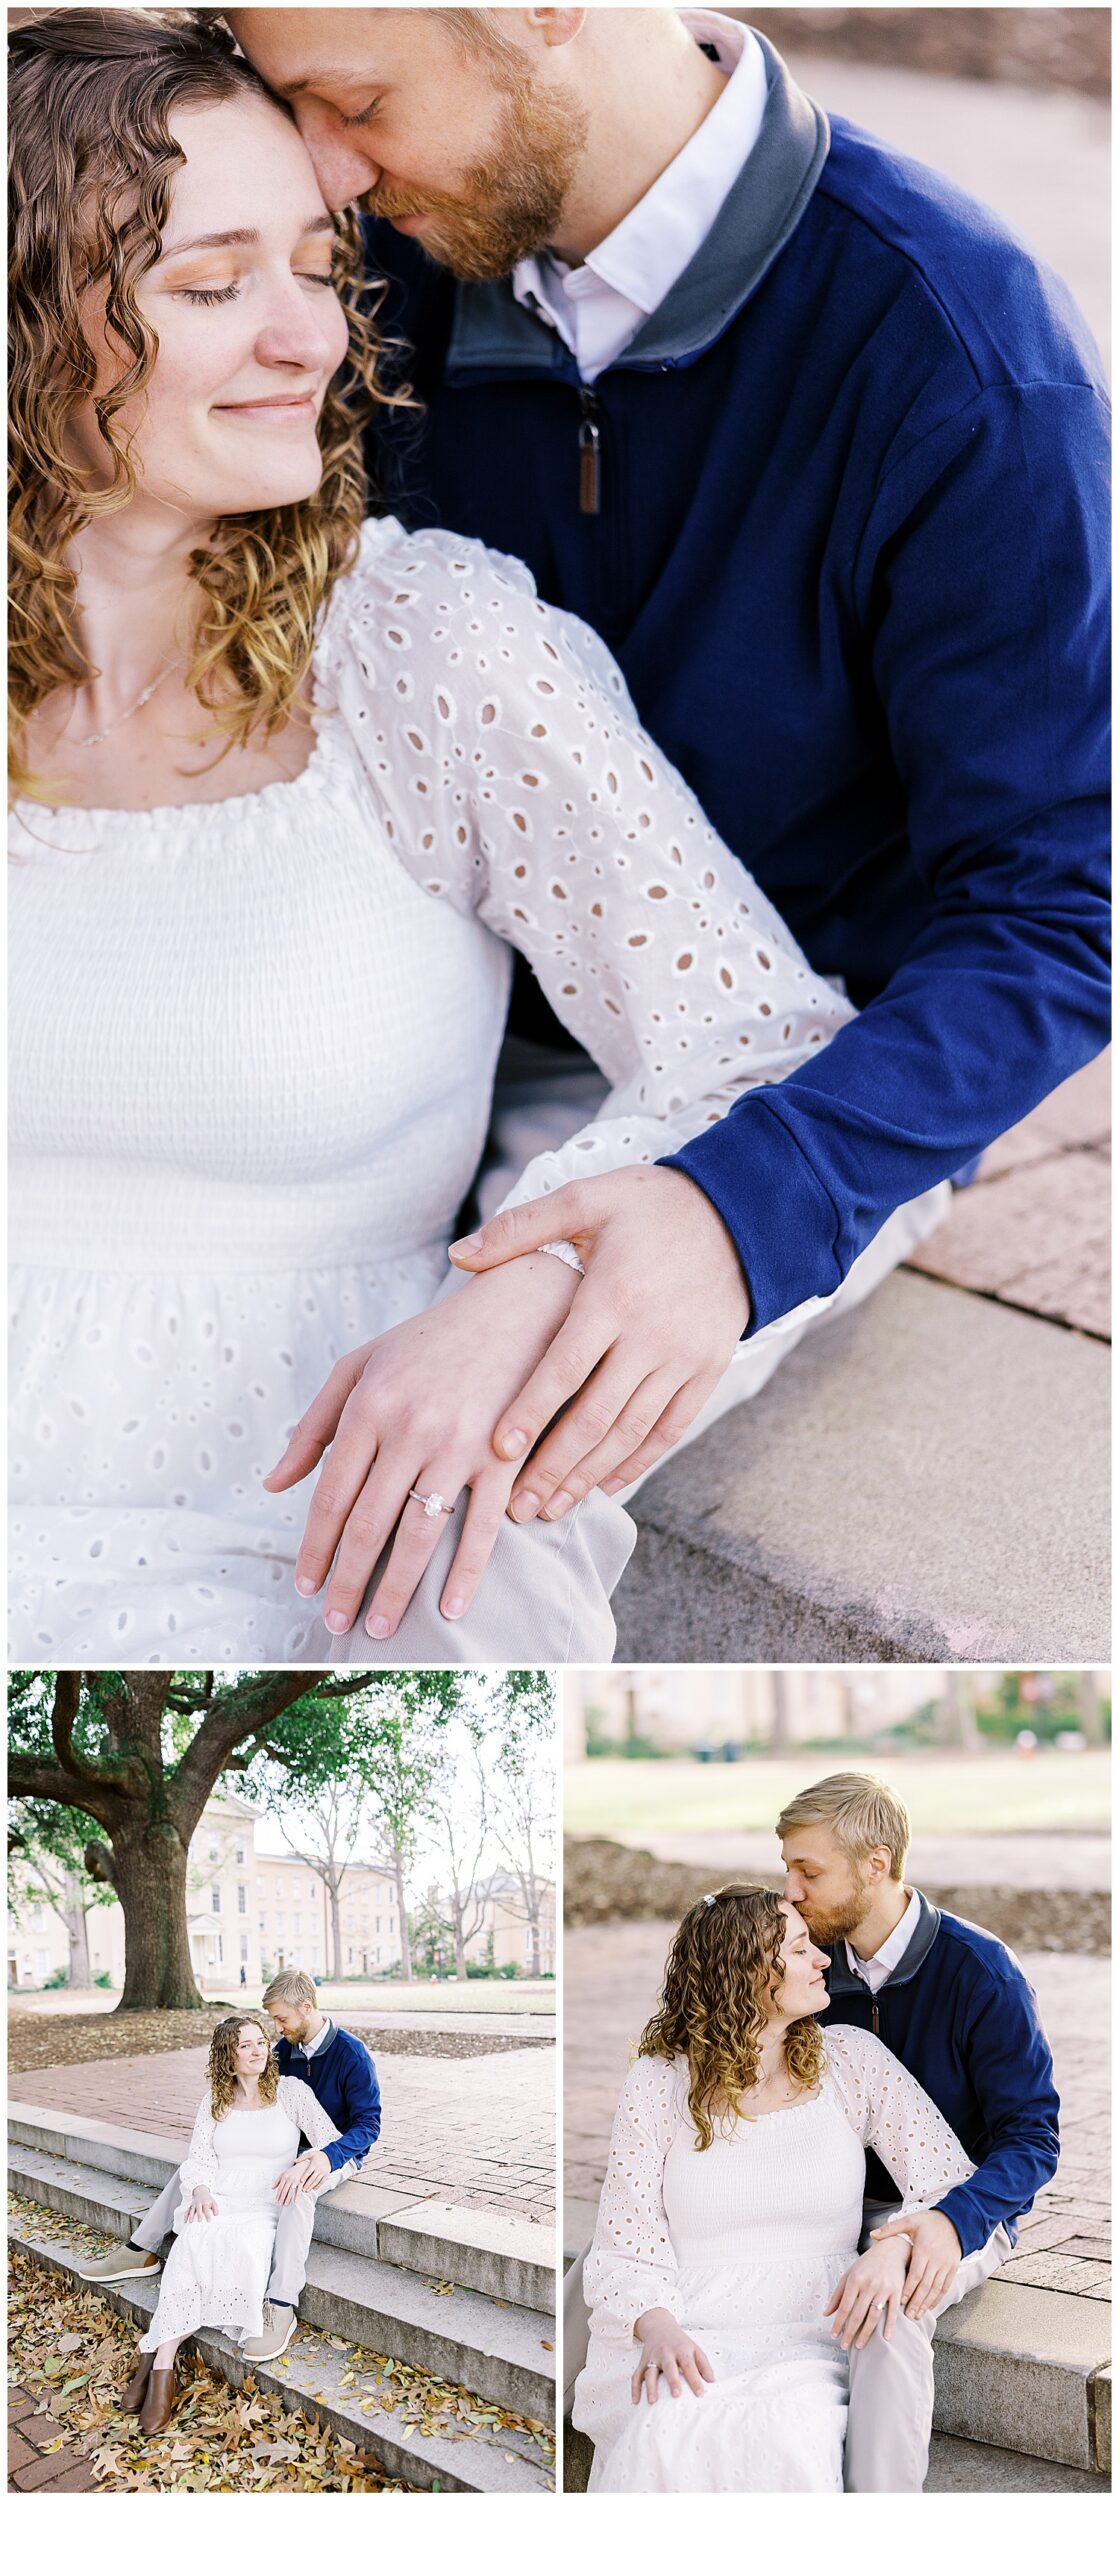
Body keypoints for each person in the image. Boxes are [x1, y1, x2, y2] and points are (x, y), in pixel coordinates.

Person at [9, 7, 939, 1670]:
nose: (304, 335)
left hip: (303, 1559)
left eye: (317, 266)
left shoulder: (424, 653)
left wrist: (517, 1298)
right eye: (212, 284)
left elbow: (759, 1047)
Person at [225, 6, 1110, 1627]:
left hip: (763, 1069)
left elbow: (1060, 917)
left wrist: (737, 1208)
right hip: (384, 1016)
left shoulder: (955, 352)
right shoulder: (354, 269)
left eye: (352, 102)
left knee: (445, 1516)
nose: (324, 173)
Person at [572, 1886, 975, 2492]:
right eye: (799, 1948)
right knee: (669, 2426)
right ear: (746, 1974)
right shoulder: (658, 2082)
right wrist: (658, 2327)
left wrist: (892, 2248)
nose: (823, 1960)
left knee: (792, 2432)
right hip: (690, 2325)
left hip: (816, 2331)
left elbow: (946, 2177)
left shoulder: (852, 2061)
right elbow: (628, 2241)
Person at [776, 1770, 1060, 2491]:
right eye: (786, 1870)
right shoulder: (803, 1966)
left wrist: (947, 2221)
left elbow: (1032, 2137)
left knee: (889, 2307)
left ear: (875, 1865)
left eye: (808, 1871)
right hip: (825, 2203)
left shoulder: (979, 1971)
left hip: (955, 2204)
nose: (790, 1892)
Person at [80, 1970, 381, 2372]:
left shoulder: (351, 2054)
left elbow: (368, 2125)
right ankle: (141, 2248)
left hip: (337, 2151)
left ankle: (281, 2303)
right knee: (195, 2171)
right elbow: (259, 2091)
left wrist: (325, 2158)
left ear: (306, 2009)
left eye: (281, 2020)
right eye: (271, 2023)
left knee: (300, 2190)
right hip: (286, 2146)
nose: (275, 2030)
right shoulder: (286, 2049)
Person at [114, 2010, 344, 2434]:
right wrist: (199, 2189)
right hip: (221, 2193)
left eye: (261, 2041)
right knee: (192, 2239)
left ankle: (153, 2365)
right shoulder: (214, 2101)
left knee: (243, 2241)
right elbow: (198, 2159)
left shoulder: (292, 2092)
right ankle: (163, 2360)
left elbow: (333, 2146)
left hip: (267, 2199)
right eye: (246, 2045)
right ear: (228, 2057)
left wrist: (309, 2167)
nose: (259, 2050)